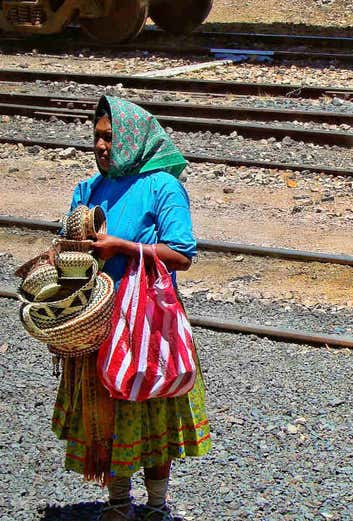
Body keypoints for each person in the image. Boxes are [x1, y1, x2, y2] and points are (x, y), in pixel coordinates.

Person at [52, 95, 211, 521]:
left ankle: (156, 507)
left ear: (134, 140)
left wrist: (122, 247)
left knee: (152, 413)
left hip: (146, 325)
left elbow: (181, 254)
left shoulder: (163, 187)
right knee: (109, 417)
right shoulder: (88, 190)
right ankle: (119, 504)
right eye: (97, 138)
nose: (101, 146)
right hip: (98, 320)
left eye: (110, 137)